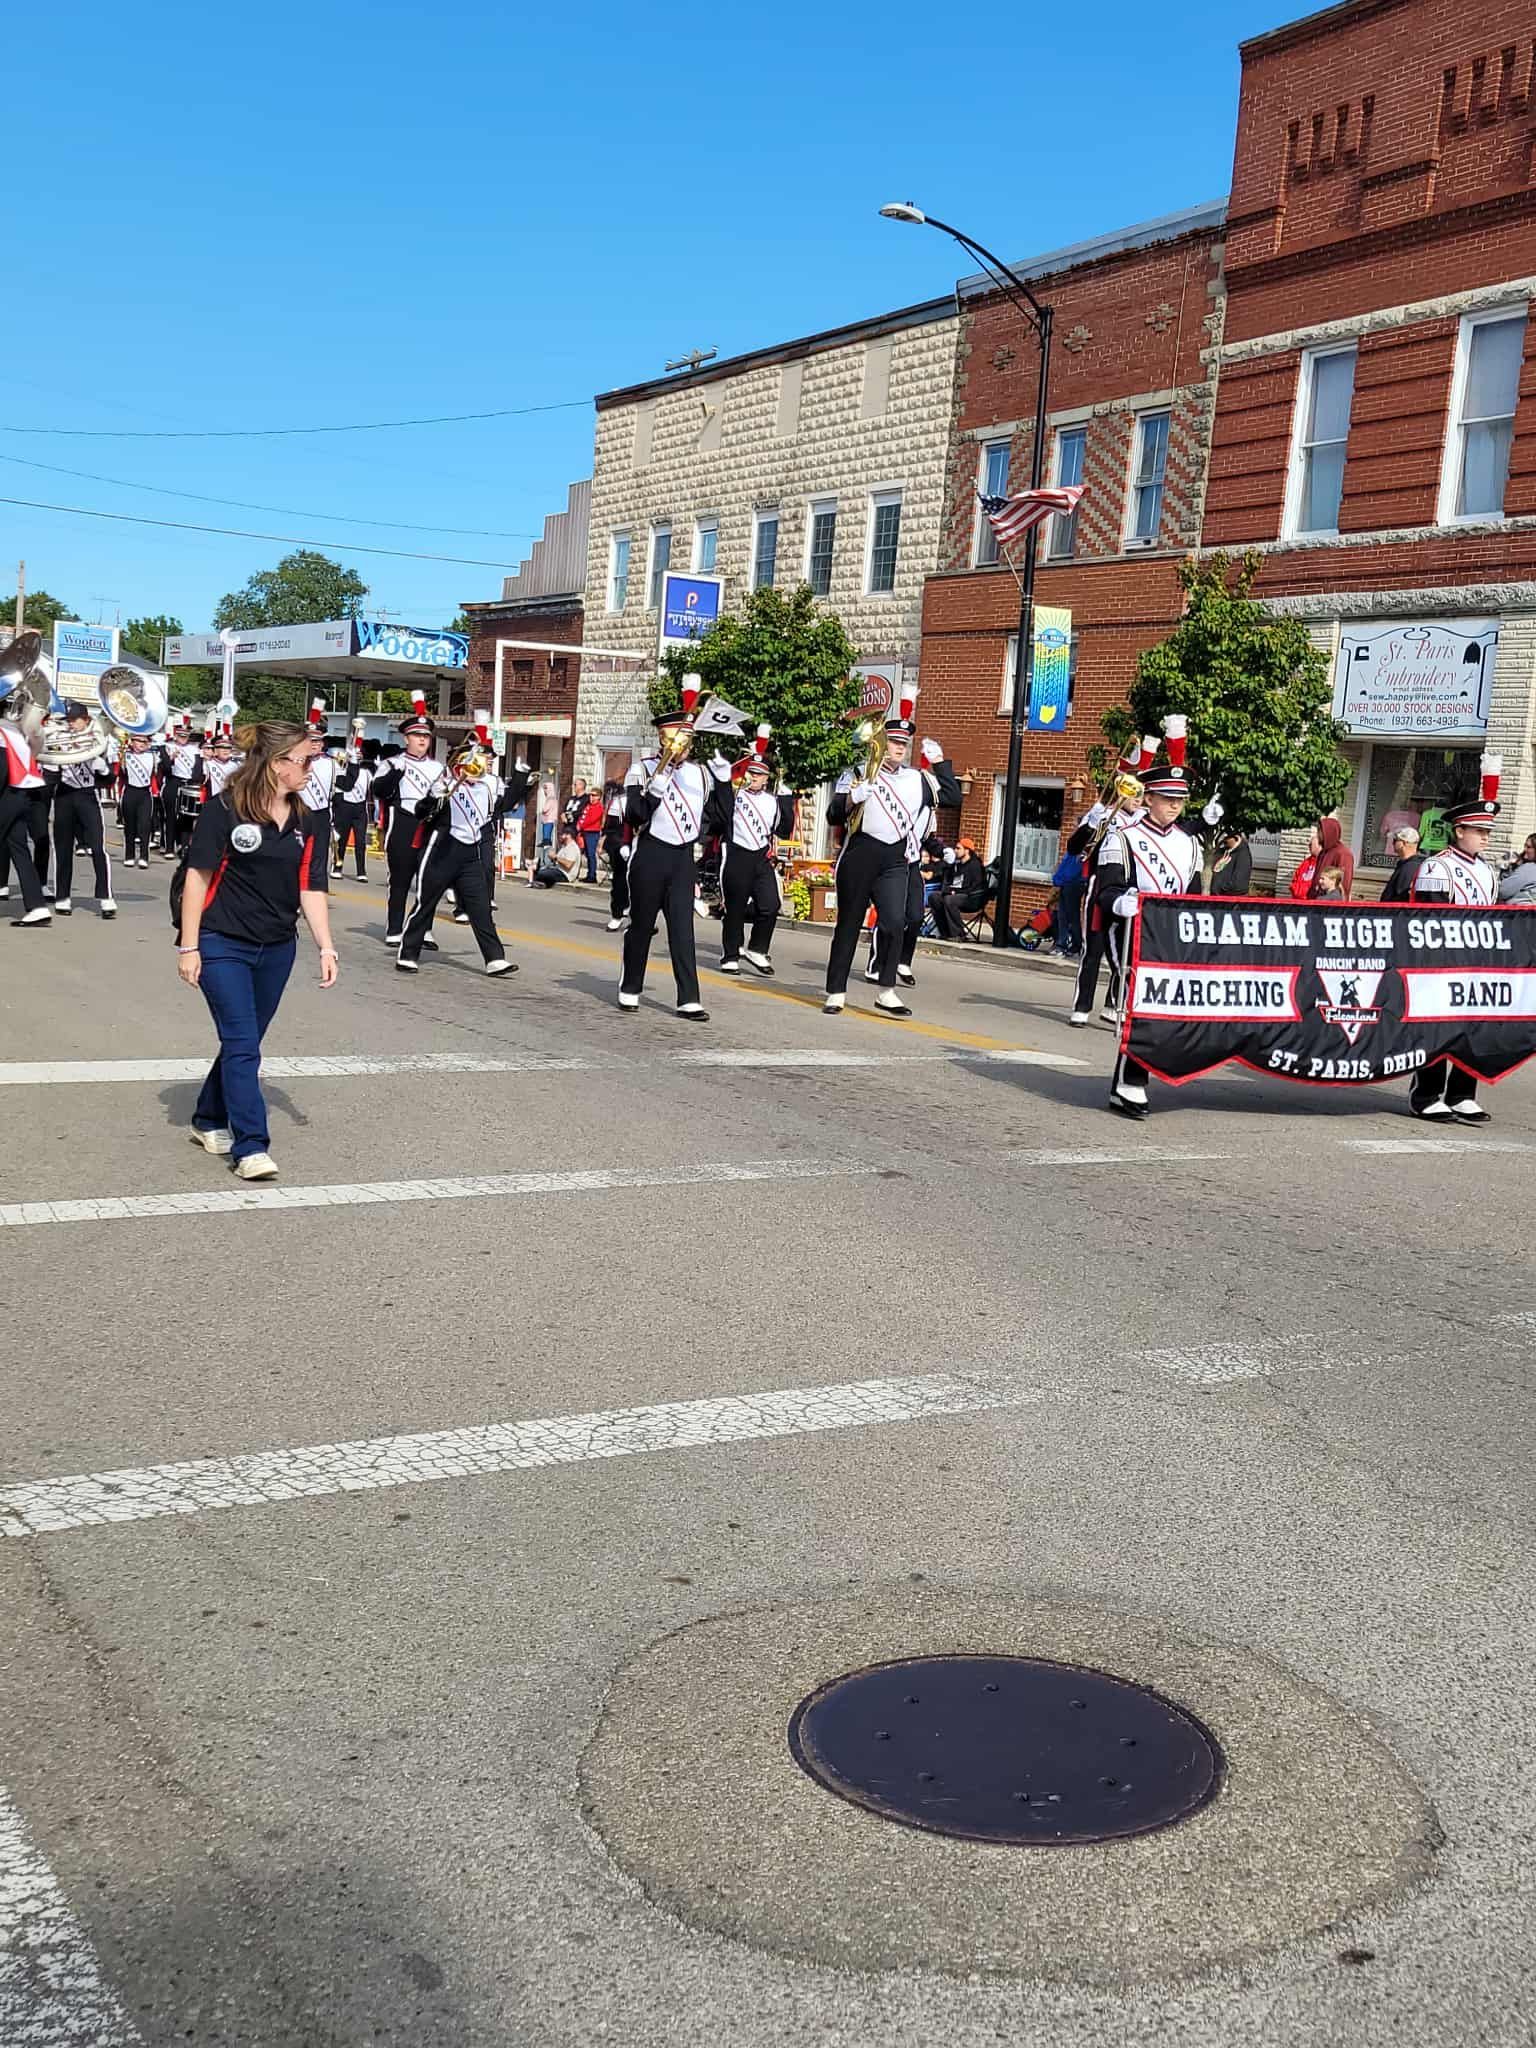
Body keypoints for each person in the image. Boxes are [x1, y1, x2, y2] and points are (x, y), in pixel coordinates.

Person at [177, 720, 337, 1181]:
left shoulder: (309, 820)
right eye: (306, 759)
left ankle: (208, 1118)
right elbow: (197, 877)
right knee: (244, 1045)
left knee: (242, 1042)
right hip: (221, 941)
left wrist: (326, 947)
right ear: (277, 763)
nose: (312, 767)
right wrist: (189, 946)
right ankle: (250, 1146)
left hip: (277, 947)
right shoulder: (224, 809)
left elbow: (311, 887)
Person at [824, 688, 959, 1018]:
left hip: (895, 858)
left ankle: (886, 990)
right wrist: (853, 798)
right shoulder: (858, 772)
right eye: (894, 741)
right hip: (860, 853)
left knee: (896, 921)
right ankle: (836, 991)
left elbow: (954, 797)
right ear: (881, 742)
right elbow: (833, 816)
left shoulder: (917, 779)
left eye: (903, 743)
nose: (899, 748)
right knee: (849, 924)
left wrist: (940, 763)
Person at [1097, 730, 1204, 1120]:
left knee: (1157, 1010)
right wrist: (1124, 901)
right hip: (1128, 933)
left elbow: (1192, 895)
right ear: (1149, 798)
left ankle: (1123, 1084)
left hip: (1168, 938)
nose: (1174, 806)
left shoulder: (1190, 844)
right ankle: (1132, 1082)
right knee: (1139, 1007)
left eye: (1179, 800)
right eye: (1167, 799)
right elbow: (1105, 893)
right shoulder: (1123, 837)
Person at [1408, 757, 1502, 1126]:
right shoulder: (1437, 866)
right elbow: (1432, 921)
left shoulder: (1487, 871)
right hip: (1444, 960)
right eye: (1480, 831)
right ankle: (1426, 1094)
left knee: (1471, 1030)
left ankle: (1463, 1094)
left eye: (1487, 832)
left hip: (1477, 962)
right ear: (1459, 830)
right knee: (1438, 1028)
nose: (1485, 838)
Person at [618, 681, 719, 1020]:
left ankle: (688, 997)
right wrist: (656, 786)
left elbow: (719, 820)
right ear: (663, 737)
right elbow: (635, 815)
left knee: (682, 928)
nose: (682, 745)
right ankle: (630, 985)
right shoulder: (643, 768)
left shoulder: (700, 774)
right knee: (642, 925)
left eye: (687, 738)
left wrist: (723, 786)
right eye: (677, 737)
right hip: (650, 854)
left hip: (682, 858)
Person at [396, 732, 521, 977]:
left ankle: (494, 958)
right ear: (459, 766)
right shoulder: (444, 785)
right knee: (426, 903)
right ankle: (408, 953)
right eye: (470, 765)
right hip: (442, 851)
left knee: (480, 907)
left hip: (470, 854)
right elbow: (422, 812)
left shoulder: (486, 787)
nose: (475, 770)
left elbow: (503, 806)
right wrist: (435, 797)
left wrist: (521, 776)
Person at [1067, 739, 1154, 1026]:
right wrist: (1092, 822)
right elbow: (1074, 848)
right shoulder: (1103, 815)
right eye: (1133, 793)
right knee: (1093, 948)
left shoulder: (1144, 821)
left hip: (1130, 889)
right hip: (1099, 886)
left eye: (1141, 793)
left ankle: (1114, 1002)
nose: (1138, 799)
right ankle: (1081, 1006)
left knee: (1127, 951)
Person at [705, 727, 796, 976]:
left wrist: (787, 799)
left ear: (767, 778)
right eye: (752, 772)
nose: (754, 777)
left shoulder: (772, 801)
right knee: (734, 906)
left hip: (760, 857)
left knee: (770, 904)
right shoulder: (736, 795)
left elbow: (785, 830)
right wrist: (724, 783)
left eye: (759, 774)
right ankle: (730, 954)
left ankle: (757, 948)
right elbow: (719, 816)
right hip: (736, 854)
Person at [370, 695, 448, 944]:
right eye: (417, 735)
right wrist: (395, 775)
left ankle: (424, 929)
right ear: (407, 738)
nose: (422, 740)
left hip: (428, 826)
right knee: (401, 879)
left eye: (426, 736)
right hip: (403, 824)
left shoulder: (439, 768)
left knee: (429, 881)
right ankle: (394, 929)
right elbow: (378, 791)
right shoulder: (392, 763)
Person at [47, 703, 118, 919]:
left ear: (86, 720)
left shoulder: (98, 742)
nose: (71, 723)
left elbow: (109, 780)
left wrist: (103, 768)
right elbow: (50, 774)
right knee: (63, 848)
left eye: (75, 719)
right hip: (65, 796)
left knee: (98, 847)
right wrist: (51, 766)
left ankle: (106, 897)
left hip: (88, 796)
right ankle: (63, 896)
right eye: (69, 720)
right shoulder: (61, 739)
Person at [0, 693, 51, 926]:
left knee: (18, 849)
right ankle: (37, 907)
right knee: (19, 849)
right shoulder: (15, 729)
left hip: (8, 795)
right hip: (23, 796)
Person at [332, 733, 376, 880]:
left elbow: (372, 792)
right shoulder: (341, 771)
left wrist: (375, 812)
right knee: (341, 840)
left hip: (360, 809)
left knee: (360, 842)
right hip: (344, 807)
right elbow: (341, 787)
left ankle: (361, 872)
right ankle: (337, 866)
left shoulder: (367, 773)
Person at [932, 838, 989, 941]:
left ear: (967, 850)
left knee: (950, 900)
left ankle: (959, 934)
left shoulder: (975, 866)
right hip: (956, 894)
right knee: (934, 897)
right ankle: (945, 932)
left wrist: (954, 892)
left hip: (972, 898)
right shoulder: (956, 864)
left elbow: (974, 887)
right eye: (955, 848)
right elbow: (949, 881)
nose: (955, 851)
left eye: (958, 848)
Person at [119, 734, 157, 868]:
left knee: (145, 825)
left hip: (145, 793)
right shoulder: (126, 754)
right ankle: (129, 855)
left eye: (144, 741)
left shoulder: (152, 756)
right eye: (138, 740)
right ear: (132, 741)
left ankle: (144, 856)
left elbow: (162, 768)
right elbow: (120, 773)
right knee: (129, 826)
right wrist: (122, 753)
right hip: (130, 791)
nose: (141, 743)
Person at [602, 777, 630, 930]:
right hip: (619, 845)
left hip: (637, 844)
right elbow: (611, 828)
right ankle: (617, 914)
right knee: (619, 880)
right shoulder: (617, 802)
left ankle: (637, 917)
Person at [1307, 817, 1353, 900]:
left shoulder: (1343, 854)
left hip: (1330, 904)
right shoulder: (1323, 852)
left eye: (1320, 831)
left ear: (1328, 832)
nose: (1318, 835)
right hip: (1316, 902)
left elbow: (1344, 886)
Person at [1379, 825, 1423, 902]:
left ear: (1404, 843)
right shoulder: (1407, 864)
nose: (1392, 844)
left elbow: (1402, 896)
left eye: (1395, 841)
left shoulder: (1410, 867)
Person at [1209, 828, 1252, 897]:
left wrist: (1220, 886)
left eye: (1226, 839)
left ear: (1236, 838)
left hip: (1230, 900)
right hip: (1218, 897)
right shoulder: (1224, 851)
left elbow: (1239, 884)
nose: (1224, 841)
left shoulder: (1243, 855)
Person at [1497, 833, 1536, 906]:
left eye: (1529, 847)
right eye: (1525, 845)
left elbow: (1502, 891)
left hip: (1520, 913)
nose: (1525, 849)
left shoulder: (1529, 868)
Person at [576, 785, 604, 883]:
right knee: (587, 854)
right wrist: (579, 824)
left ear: (599, 797)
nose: (591, 797)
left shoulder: (599, 807)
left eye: (594, 795)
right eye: (591, 795)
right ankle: (589, 874)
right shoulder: (588, 806)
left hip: (592, 832)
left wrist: (582, 826)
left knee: (591, 854)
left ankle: (592, 875)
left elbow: (592, 820)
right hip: (585, 832)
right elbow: (583, 816)